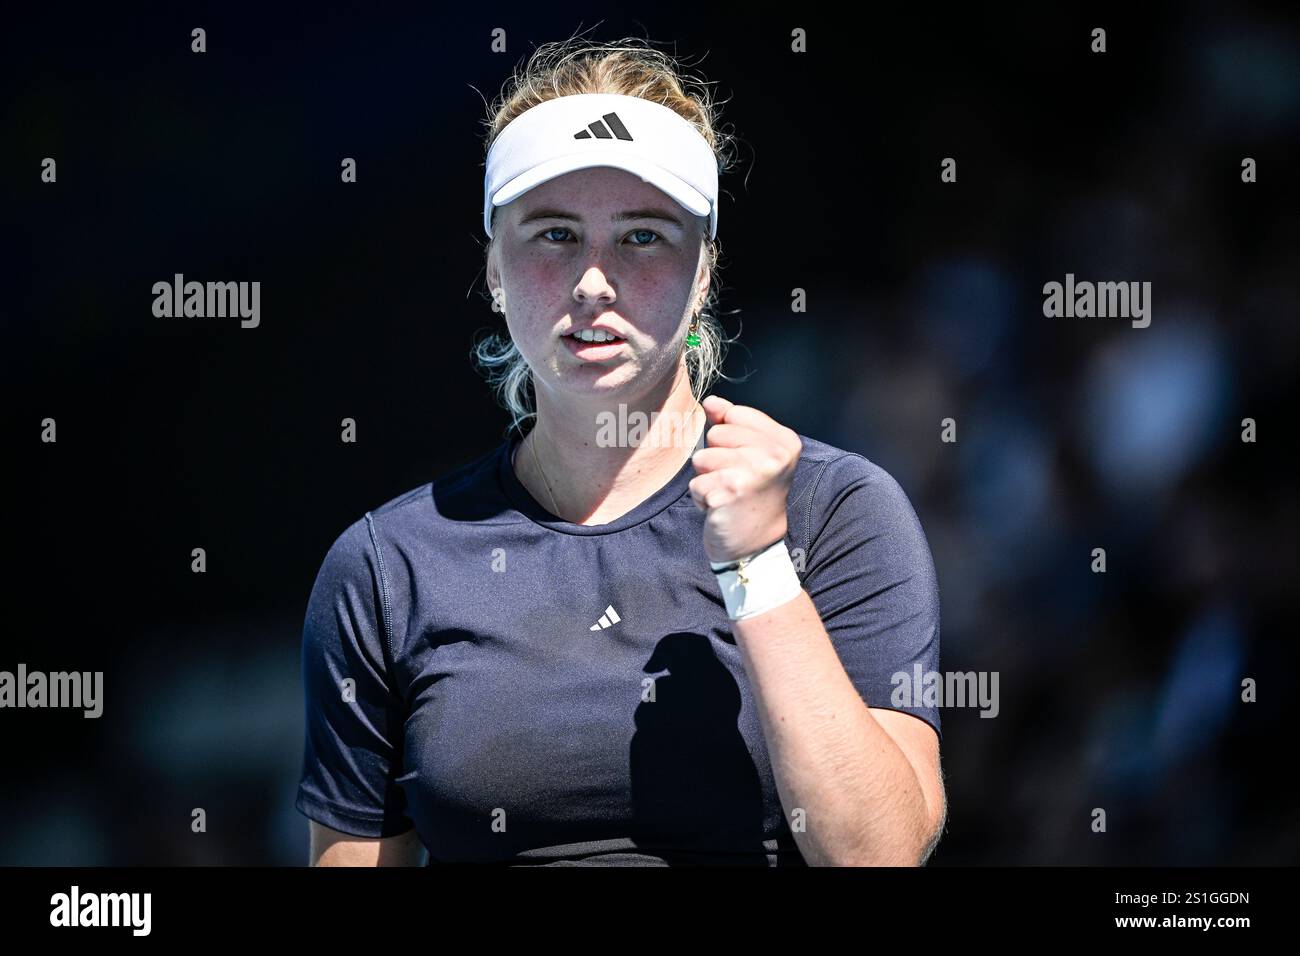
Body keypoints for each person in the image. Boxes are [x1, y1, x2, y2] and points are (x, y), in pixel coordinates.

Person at [296, 38, 946, 866]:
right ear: (494, 267)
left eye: (642, 236)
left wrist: (759, 567)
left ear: (705, 269)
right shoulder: (386, 566)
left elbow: (876, 855)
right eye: (554, 234)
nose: (594, 281)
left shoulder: (837, 511)